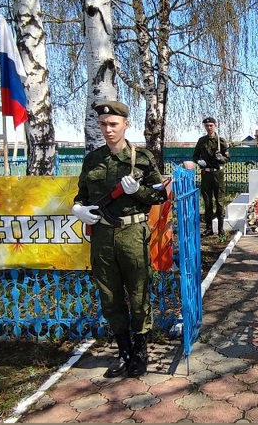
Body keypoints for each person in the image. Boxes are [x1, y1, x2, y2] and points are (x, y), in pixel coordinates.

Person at [71, 100, 168, 378]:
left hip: (132, 234)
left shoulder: (143, 158)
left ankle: (140, 351)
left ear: (126, 124)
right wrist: (78, 208)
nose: (107, 129)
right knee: (109, 294)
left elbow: (159, 196)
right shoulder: (92, 159)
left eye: (113, 124)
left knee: (138, 291)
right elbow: (82, 195)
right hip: (102, 235)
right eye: (103, 124)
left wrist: (137, 190)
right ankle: (123, 351)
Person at [192, 117, 230, 237]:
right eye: (207, 126)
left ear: (215, 126)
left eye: (211, 125)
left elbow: (227, 158)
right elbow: (195, 156)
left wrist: (221, 159)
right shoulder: (201, 141)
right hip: (206, 174)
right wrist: (199, 162)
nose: (209, 128)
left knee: (219, 201)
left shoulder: (221, 141)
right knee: (207, 201)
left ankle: (220, 229)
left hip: (217, 174)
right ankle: (208, 228)